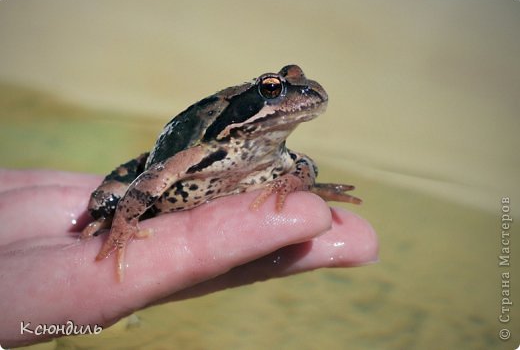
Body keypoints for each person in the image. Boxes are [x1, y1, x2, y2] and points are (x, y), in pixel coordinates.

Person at [0, 169, 378, 347]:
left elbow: (303, 166)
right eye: (273, 90)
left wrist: (296, 182)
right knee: (104, 204)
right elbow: (156, 176)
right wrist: (121, 224)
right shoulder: (205, 148)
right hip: (156, 190)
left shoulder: (276, 155)